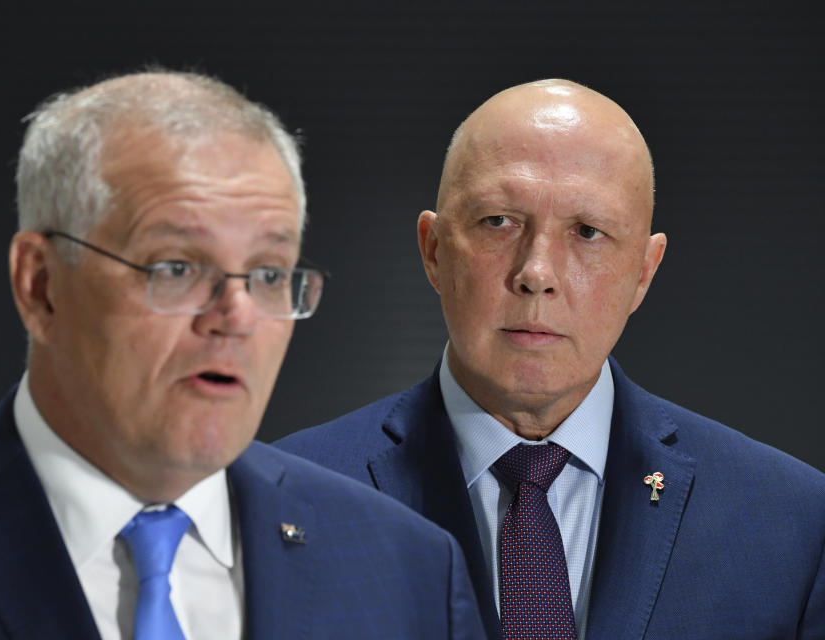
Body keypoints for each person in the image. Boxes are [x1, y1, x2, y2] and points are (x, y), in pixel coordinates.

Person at [0, 71, 484, 639]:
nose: (236, 317)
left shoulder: (409, 571)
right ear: (41, 285)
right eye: (177, 267)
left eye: (268, 274)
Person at [277, 79, 825, 639]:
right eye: (498, 222)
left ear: (643, 272)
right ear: (434, 250)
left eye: (588, 231)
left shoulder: (794, 523)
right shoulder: (279, 500)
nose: (536, 272)